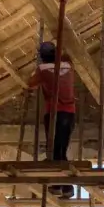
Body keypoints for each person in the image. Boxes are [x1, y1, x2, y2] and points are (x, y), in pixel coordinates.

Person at [28, 41, 76, 197]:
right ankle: (67, 188)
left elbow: (30, 84)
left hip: (54, 113)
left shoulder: (42, 69)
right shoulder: (68, 65)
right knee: (61, 149)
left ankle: (57, 185)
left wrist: (34, 72)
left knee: (55, 149)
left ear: (42, 57)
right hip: (69, 113)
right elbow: (68, 57)